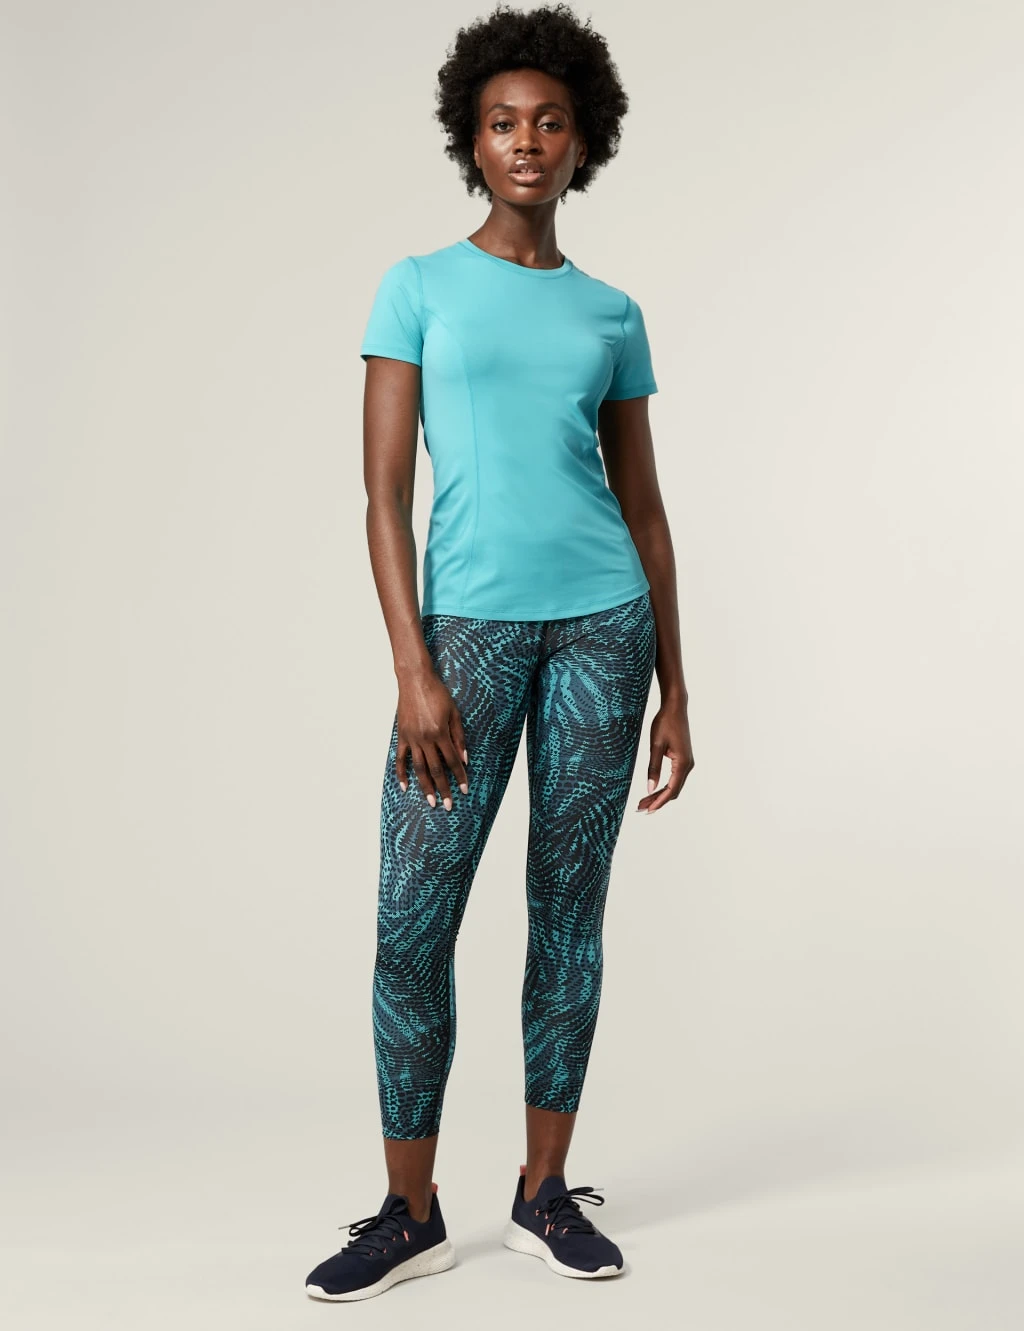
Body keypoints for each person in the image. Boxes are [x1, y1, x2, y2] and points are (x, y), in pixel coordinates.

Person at [306, 1, 694, 1302]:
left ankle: (543, 1192)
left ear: (585, 142)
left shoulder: (612, 313)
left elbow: (645, 510)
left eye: (550, 123)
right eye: (502, 123)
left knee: (567, 915)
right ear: (470, 142)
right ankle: (408, 1209)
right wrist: (412, 667)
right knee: (411, 925)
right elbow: (383, 499)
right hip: (463, 637)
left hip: (604, 629)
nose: (526, 141)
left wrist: (678, 685)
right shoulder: (416, 287)